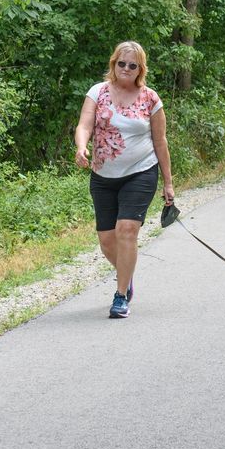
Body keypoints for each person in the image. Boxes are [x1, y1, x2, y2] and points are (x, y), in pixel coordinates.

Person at [74, 41, 175, 319]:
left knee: (127, 230)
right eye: (122, 64)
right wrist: (81, 146)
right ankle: (126, 275)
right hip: (103, 175)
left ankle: (120, 296)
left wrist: (167, 183)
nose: (126, 69)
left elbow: (160, 141)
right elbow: (84, 124)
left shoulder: (150, 98)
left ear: (140, 68)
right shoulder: (98, 91)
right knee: (107, 240)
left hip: (141, 172)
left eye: (133, 65)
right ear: (114, 64)